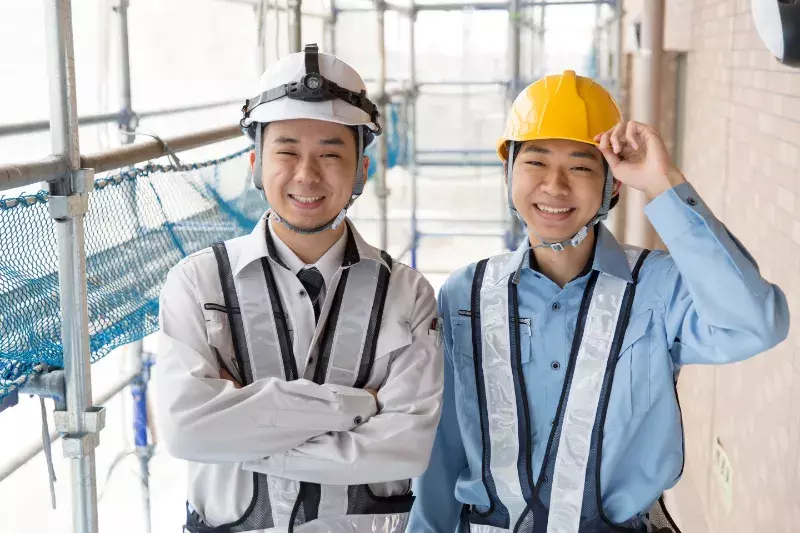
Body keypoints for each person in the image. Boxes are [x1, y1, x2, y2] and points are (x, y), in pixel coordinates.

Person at [407, 70, 789, 533]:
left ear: (613, 185)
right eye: (536, 162)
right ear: (509, 171)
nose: (555, 186)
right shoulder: (465, 294)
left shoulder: (658, 288)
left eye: (582, 167)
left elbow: (756, 324)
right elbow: (442, 447)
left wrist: (663, 183)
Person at [153, 43, 443, 533]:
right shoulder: (198, 283)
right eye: (286, 151)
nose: (306, 175)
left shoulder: (406, 294)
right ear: (255, 165)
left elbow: (405, 447)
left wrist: (243, 434)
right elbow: (186, 431)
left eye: (331, 154)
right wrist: (359, 405)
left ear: (361, 171)